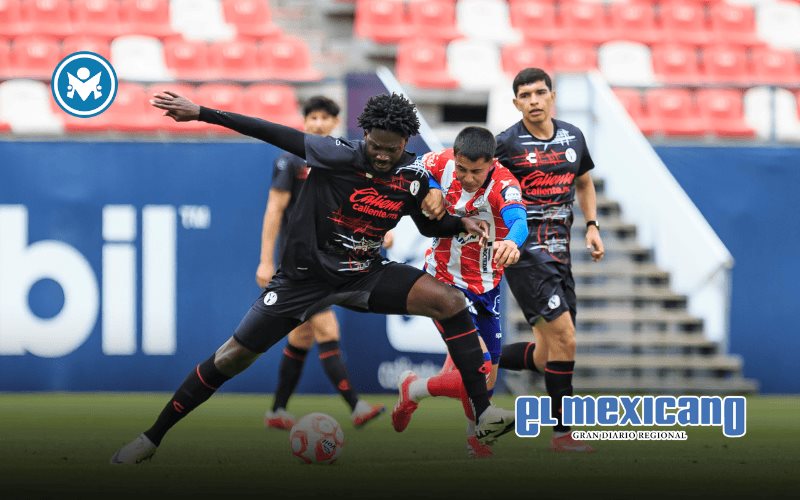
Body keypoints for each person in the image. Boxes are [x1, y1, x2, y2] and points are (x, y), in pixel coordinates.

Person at [110, 92, 516, 464]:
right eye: (373, 145)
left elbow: (430, 228)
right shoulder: (334, 154)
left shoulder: (410, 178)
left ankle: (482, 414)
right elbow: (269, 131)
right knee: (232, 357)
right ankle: (151, 438)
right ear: (364, 135)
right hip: (303, 281)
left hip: (364, 274)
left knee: (450, 302)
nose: (379, 155)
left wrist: (459, 223)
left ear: (405, 143)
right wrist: (202, 113)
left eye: (389, 150)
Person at [389, 126, 528, 458]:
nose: (467, 177)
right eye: (462, 168)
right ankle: (477, 437)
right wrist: (431, 188)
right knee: (477, 366)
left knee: (487, 372)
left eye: (476, 171)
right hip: (443, 284)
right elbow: (409, 169)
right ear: (454, 156)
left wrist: (512, 241)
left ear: (491, 163)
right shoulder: (440, 161)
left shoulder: (505, 184)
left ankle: (415, 391)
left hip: (487, 287)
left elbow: (519, 219)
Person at [256, 96, 384, 430]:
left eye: (325, 118)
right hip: (299, 264)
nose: (318, 123)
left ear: (334, 123)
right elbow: (274, 210)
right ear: (304, 122)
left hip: (329, 262)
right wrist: (265, 260)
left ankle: (276, 411)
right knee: (326, 327)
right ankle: (356, 408)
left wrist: (378, 234)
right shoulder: (291, 162)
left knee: (300, 337)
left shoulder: (341, 161)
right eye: (312, 117)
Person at [495, 67, 605, 452]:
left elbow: (585, 181)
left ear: (552, 95)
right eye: (525, 96)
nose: (534, 101)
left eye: (540, 93)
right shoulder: (506, 144)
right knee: (567, 339)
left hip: (561, 254)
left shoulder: (573, 136)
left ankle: (472, 357)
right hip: (525, 255)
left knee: (547, 355)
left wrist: (592, 225)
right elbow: (477, 180)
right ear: (516, 103)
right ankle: (563, 435)